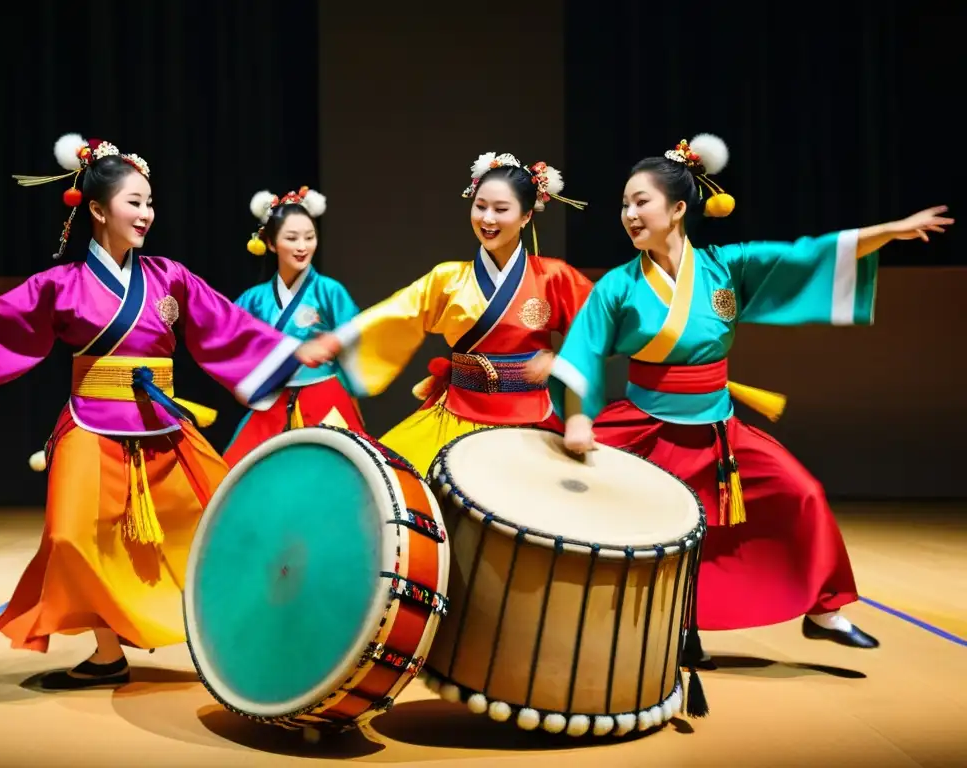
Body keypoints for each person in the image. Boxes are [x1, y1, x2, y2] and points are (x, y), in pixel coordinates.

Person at [544, 133, 953, 659]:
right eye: (624, 204)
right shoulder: (618, 287)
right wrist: (578, 420)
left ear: (677, 208)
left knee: (801, 492)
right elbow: (582, 352)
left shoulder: (725, 268)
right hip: (647, 426)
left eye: (640, 201)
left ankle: (824, 607)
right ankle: (662, 630)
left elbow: (809, 257)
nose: (628, 213)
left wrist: (890, 232)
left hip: (718, 430)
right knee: (603, 516)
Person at [0, 133, 317, 689]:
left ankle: (246, 634)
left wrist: (289, 351)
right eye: (133, 202)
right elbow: (2, 317)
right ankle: (107, 651)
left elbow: (225, 326)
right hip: (91, 423)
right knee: (72, 537)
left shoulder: (169, 278)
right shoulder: (62, 284)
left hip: (162, 426)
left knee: (229, 524)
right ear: (97, 209)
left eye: (149, 202)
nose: (146, 213)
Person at [298, 152, 594, 475]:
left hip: (531, 417)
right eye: (480, 206)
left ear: (525, 216)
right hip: (457, 413)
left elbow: (599, 328)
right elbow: (399, 312)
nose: (488, 219)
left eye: (501, 209)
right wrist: (337, 341)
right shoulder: (448, 279)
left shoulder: (553, 277)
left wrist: (562, 361)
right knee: (390, 483)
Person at [222, 186, 366, 467]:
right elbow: (227, 336)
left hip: (324, 397)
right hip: (273, 400)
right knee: (237, 473)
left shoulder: (328, 291)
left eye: (309, 237)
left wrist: (334, 344)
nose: (302, 246)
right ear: (271, 243)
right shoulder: (254, 299)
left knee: (340, 472)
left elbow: (358, 334)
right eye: (292, 238)